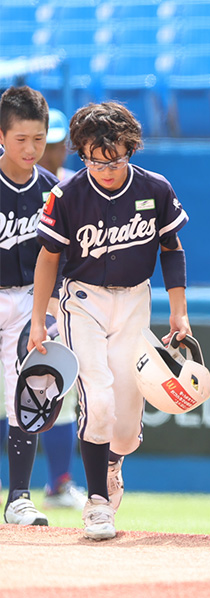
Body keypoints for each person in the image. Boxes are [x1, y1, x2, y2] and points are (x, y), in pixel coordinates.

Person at [29, 100, 192, 541]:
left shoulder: (155, 188)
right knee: (96, 400)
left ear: (130, 147)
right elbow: (48, 256)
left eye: (114, 157)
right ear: (82, 152)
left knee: (125, 429)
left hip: (136, 301)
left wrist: (179, 309)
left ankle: (113, 464)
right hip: (83, 301)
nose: (105, 167)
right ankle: (97, 502)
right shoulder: (68, 194)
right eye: (94, 159)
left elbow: (171, 249)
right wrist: (39, 317)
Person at [0, 86, 61, 527]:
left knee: (30, 390)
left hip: (27, 302)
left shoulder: (55, 191)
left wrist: (49, 312)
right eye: (21, 138)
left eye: (38, 138)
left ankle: (19, 496)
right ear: (2, 135)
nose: (31, 148)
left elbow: (64, 259)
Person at [32, 106, 88, 511]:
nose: (45, 150)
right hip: (14, 292)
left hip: (60, 299)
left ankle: (58, 484)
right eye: (39, 141)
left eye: (50, 142)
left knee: (60, 389)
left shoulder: (74, 188)